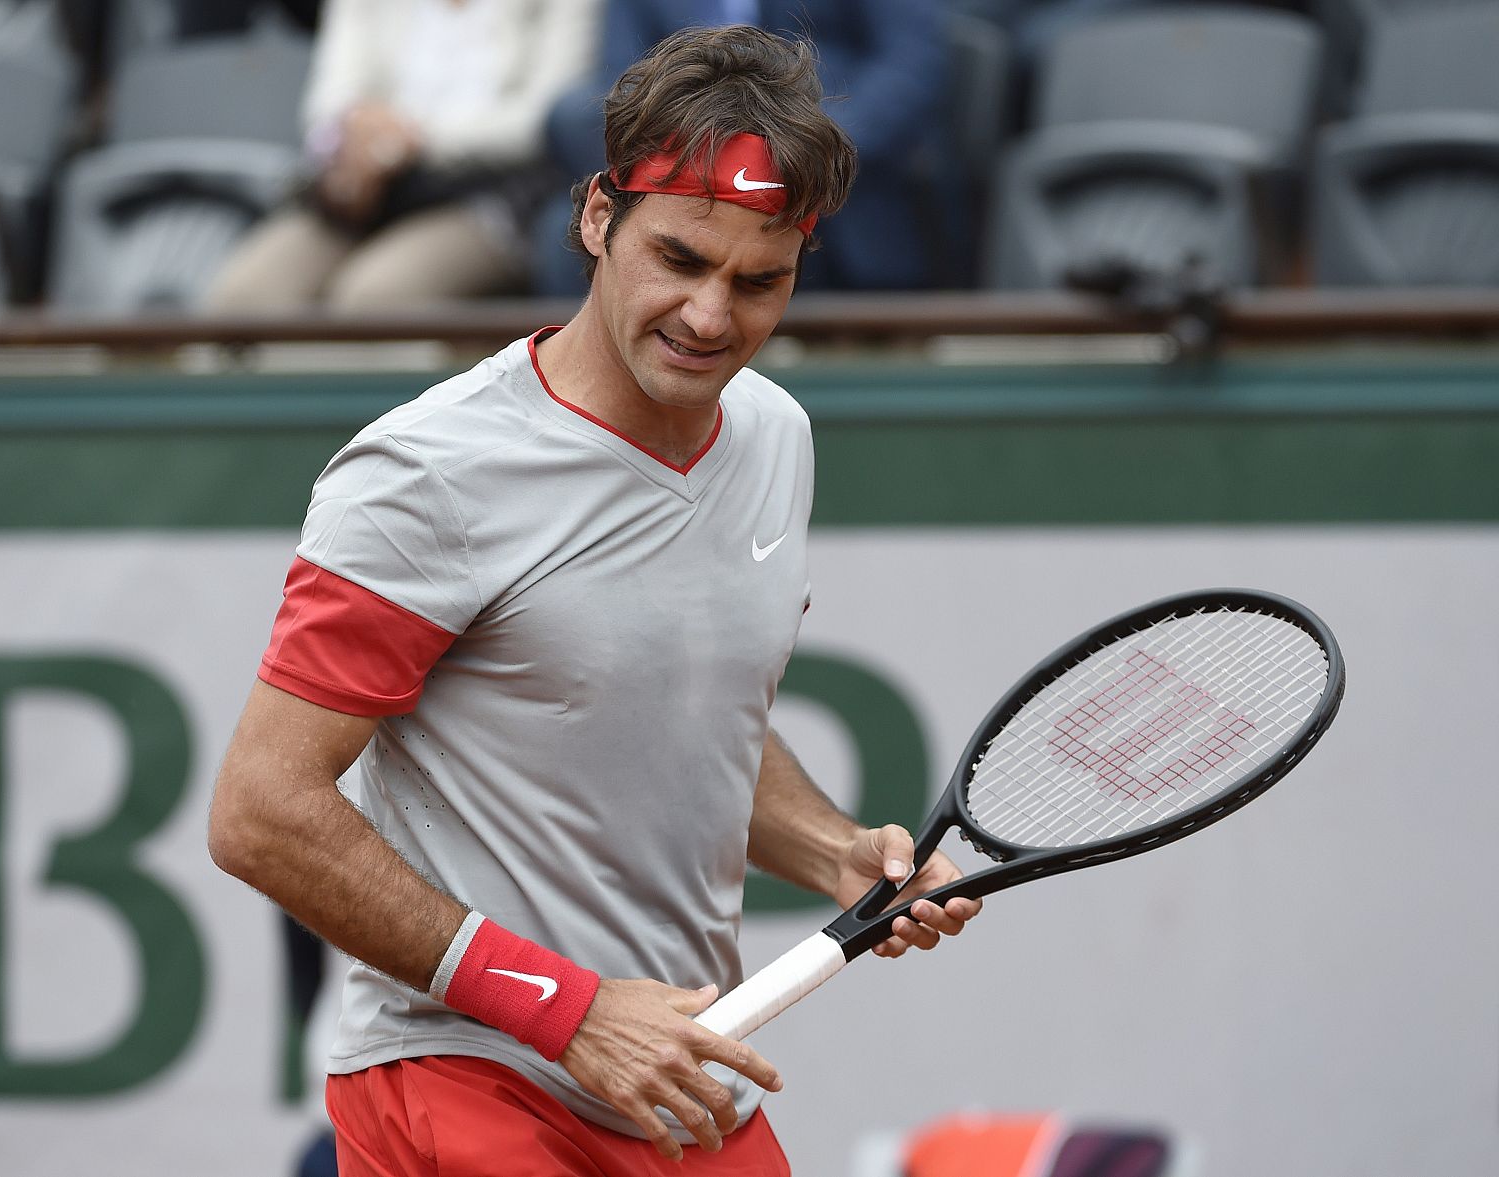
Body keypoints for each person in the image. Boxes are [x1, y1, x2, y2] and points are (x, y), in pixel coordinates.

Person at [208, 25, 980, 1176]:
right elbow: (261, 811)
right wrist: (564, 1007)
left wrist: (834, 853)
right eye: (678, 258)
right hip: (463, 1078)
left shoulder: (775, 434)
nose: (712, 317)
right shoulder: (427, 471)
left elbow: (679, 709)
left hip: (676, 1075)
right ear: (595, 219)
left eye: (756, 280)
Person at [202, 0, 600, 313]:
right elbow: (329, 104)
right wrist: (352, 136)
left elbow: (548, 115)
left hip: (496, 197)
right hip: (367, 186)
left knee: (376, 300)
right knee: (245, 297)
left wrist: (406, 142)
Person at [531, 0, 953, 295]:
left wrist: (800, 154)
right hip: (688, 153)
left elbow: (915, 62)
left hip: (833, 163)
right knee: (564, 202)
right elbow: (625, 79)